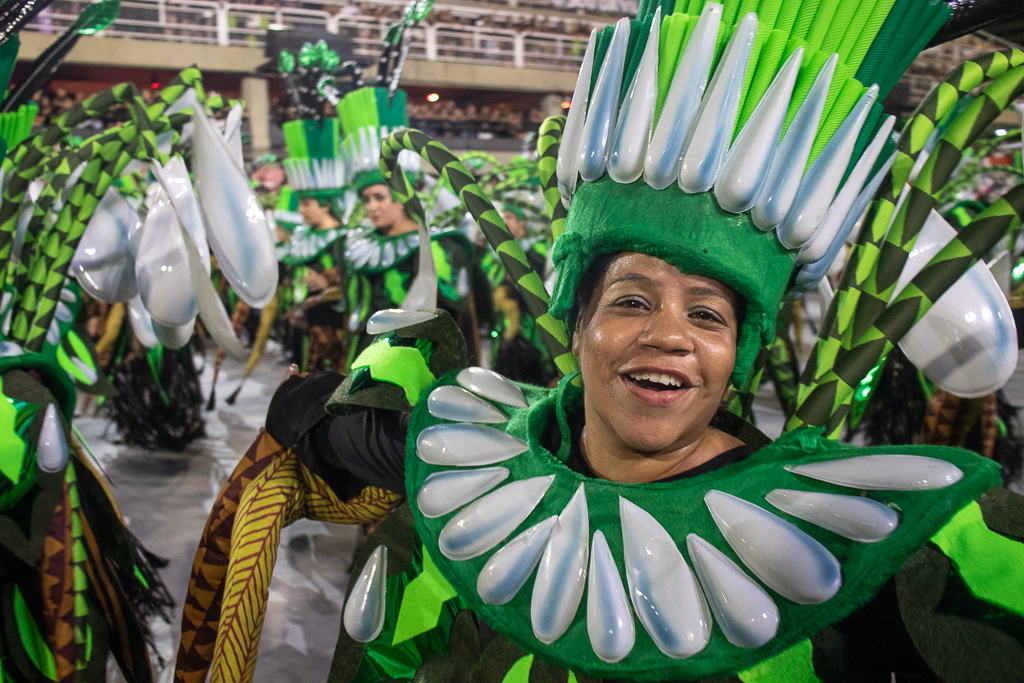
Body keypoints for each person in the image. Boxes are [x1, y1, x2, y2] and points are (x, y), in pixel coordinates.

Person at [176, 0, 1024, 681]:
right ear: (575, 324)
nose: (670, 337)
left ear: (739, 354)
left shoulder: (860, 543)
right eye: (631, 299)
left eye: (708, 314)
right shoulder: (453, 463)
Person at [337, 85, 489, 368]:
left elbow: (459, 320)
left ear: (401, 197)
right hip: (367, 361)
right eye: (365, 199)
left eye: (379, 197)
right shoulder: (358, 246)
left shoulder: (442, 247)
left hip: (422, 364)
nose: (371, 207)